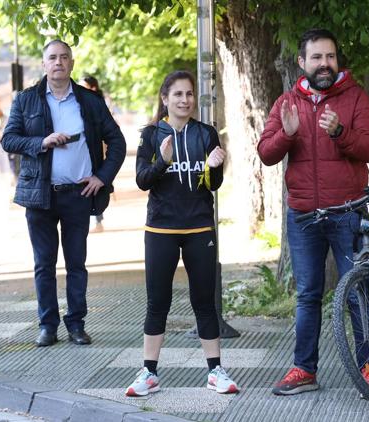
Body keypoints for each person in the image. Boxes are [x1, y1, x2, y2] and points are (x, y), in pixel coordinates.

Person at [258, 29, 369, 395]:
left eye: (330, 57)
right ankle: (304, 370)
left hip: (347, 212)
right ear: (302, 62)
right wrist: (288, 134)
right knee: (308, 295)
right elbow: (266, 153)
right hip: (305, 217)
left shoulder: (355, 97)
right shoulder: (286, 102)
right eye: (317, 57)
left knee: (358, 292)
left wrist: (341, 132)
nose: (324, 64)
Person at [1, 40, 126, 347]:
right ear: (43, 64)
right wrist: (42, 142)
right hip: (40, 194)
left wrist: (102, 177)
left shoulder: (90, 101)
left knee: (76, 264)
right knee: (44, 264)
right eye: (52, 58)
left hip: (78, 194)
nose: (58, 62)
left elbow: (118, 143)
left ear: (72, 63)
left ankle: (77, 323)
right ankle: (47, 325)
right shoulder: (25, 100)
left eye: (64, 58)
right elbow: (9, 140)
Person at [126, 70, 238, 397]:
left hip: (199, 226)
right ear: (165, 99)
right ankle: (149, 373)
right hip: (160, 228)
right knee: (156, 301)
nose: (184, 100)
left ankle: (216, 370)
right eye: (177, 94)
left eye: (189, 94)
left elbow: (212, 186)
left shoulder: (206, 133)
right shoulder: (150, 135)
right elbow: (142, 180)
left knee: (203, 301)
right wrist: (162, 161)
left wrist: (216, 166)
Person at [80, 75, 106, 233]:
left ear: (93, 88)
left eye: (85, 86)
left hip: (97, 151)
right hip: (83, 151)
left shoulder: (99, 105)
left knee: (96, 185)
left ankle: (98, 220)